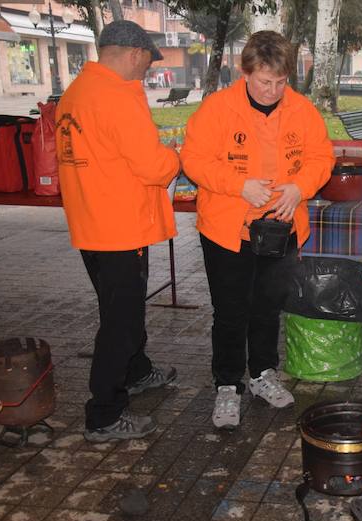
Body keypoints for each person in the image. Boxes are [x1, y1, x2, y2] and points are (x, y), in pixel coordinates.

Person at [181, 31, 334, 430]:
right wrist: (238, 185)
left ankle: (263, 373)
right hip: (227, 228)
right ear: (245, 72)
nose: (272, 90)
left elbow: (321, 157)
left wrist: (301, 188)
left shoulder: (302, 110)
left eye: (281, 82)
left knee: (268, 306)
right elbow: (193, 159)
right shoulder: (217, 109)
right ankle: (227, 385)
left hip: (282, 228)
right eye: (265, 81)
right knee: (231, 310)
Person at [57, 20, 180, 443]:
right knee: (120, 323)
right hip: (119, 229)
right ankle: (104, 413)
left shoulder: (76, 94)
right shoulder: (115, 98)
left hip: (92, 222)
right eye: (147, 63)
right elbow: (152, 165)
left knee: (119, 310)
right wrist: (174, 158)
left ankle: (137, 371)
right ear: (133, 54)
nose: (146, 71)